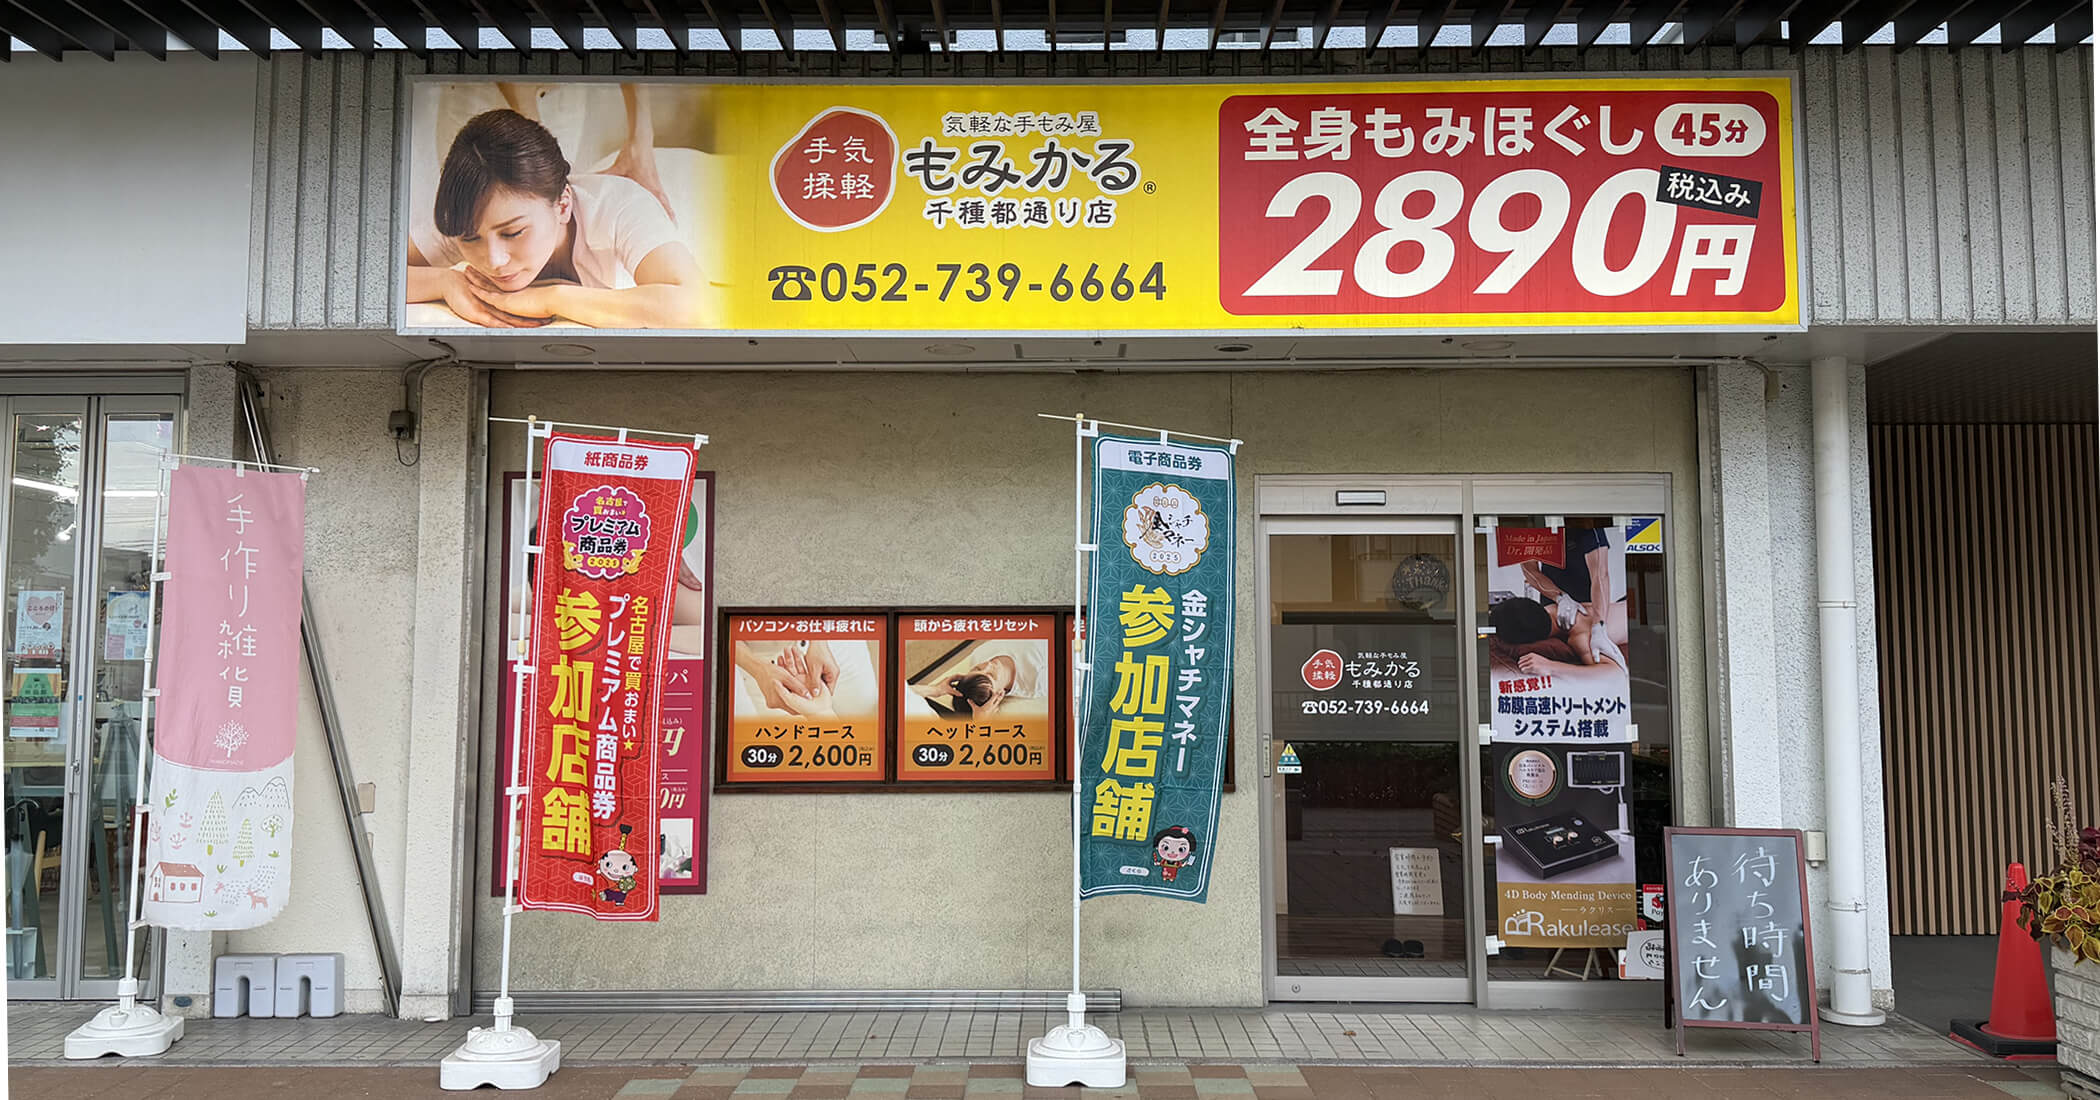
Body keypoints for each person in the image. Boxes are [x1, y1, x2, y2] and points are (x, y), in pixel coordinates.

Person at [405, 108, 708, 329]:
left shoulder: (619, 207)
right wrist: (444, 281)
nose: (494, 260)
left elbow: (696, 307)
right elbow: (380, 273)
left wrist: (551, 298)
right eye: (471, 239)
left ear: (563, 205)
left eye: (513, 233)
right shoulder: (471, 217)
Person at [913, 641, 1047, 719]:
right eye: (991, 675)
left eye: (977, 669)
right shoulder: (1039, 681)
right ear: (999, 694)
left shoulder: (979, 655)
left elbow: (904, 694)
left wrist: (936, 689)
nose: (987, 664)